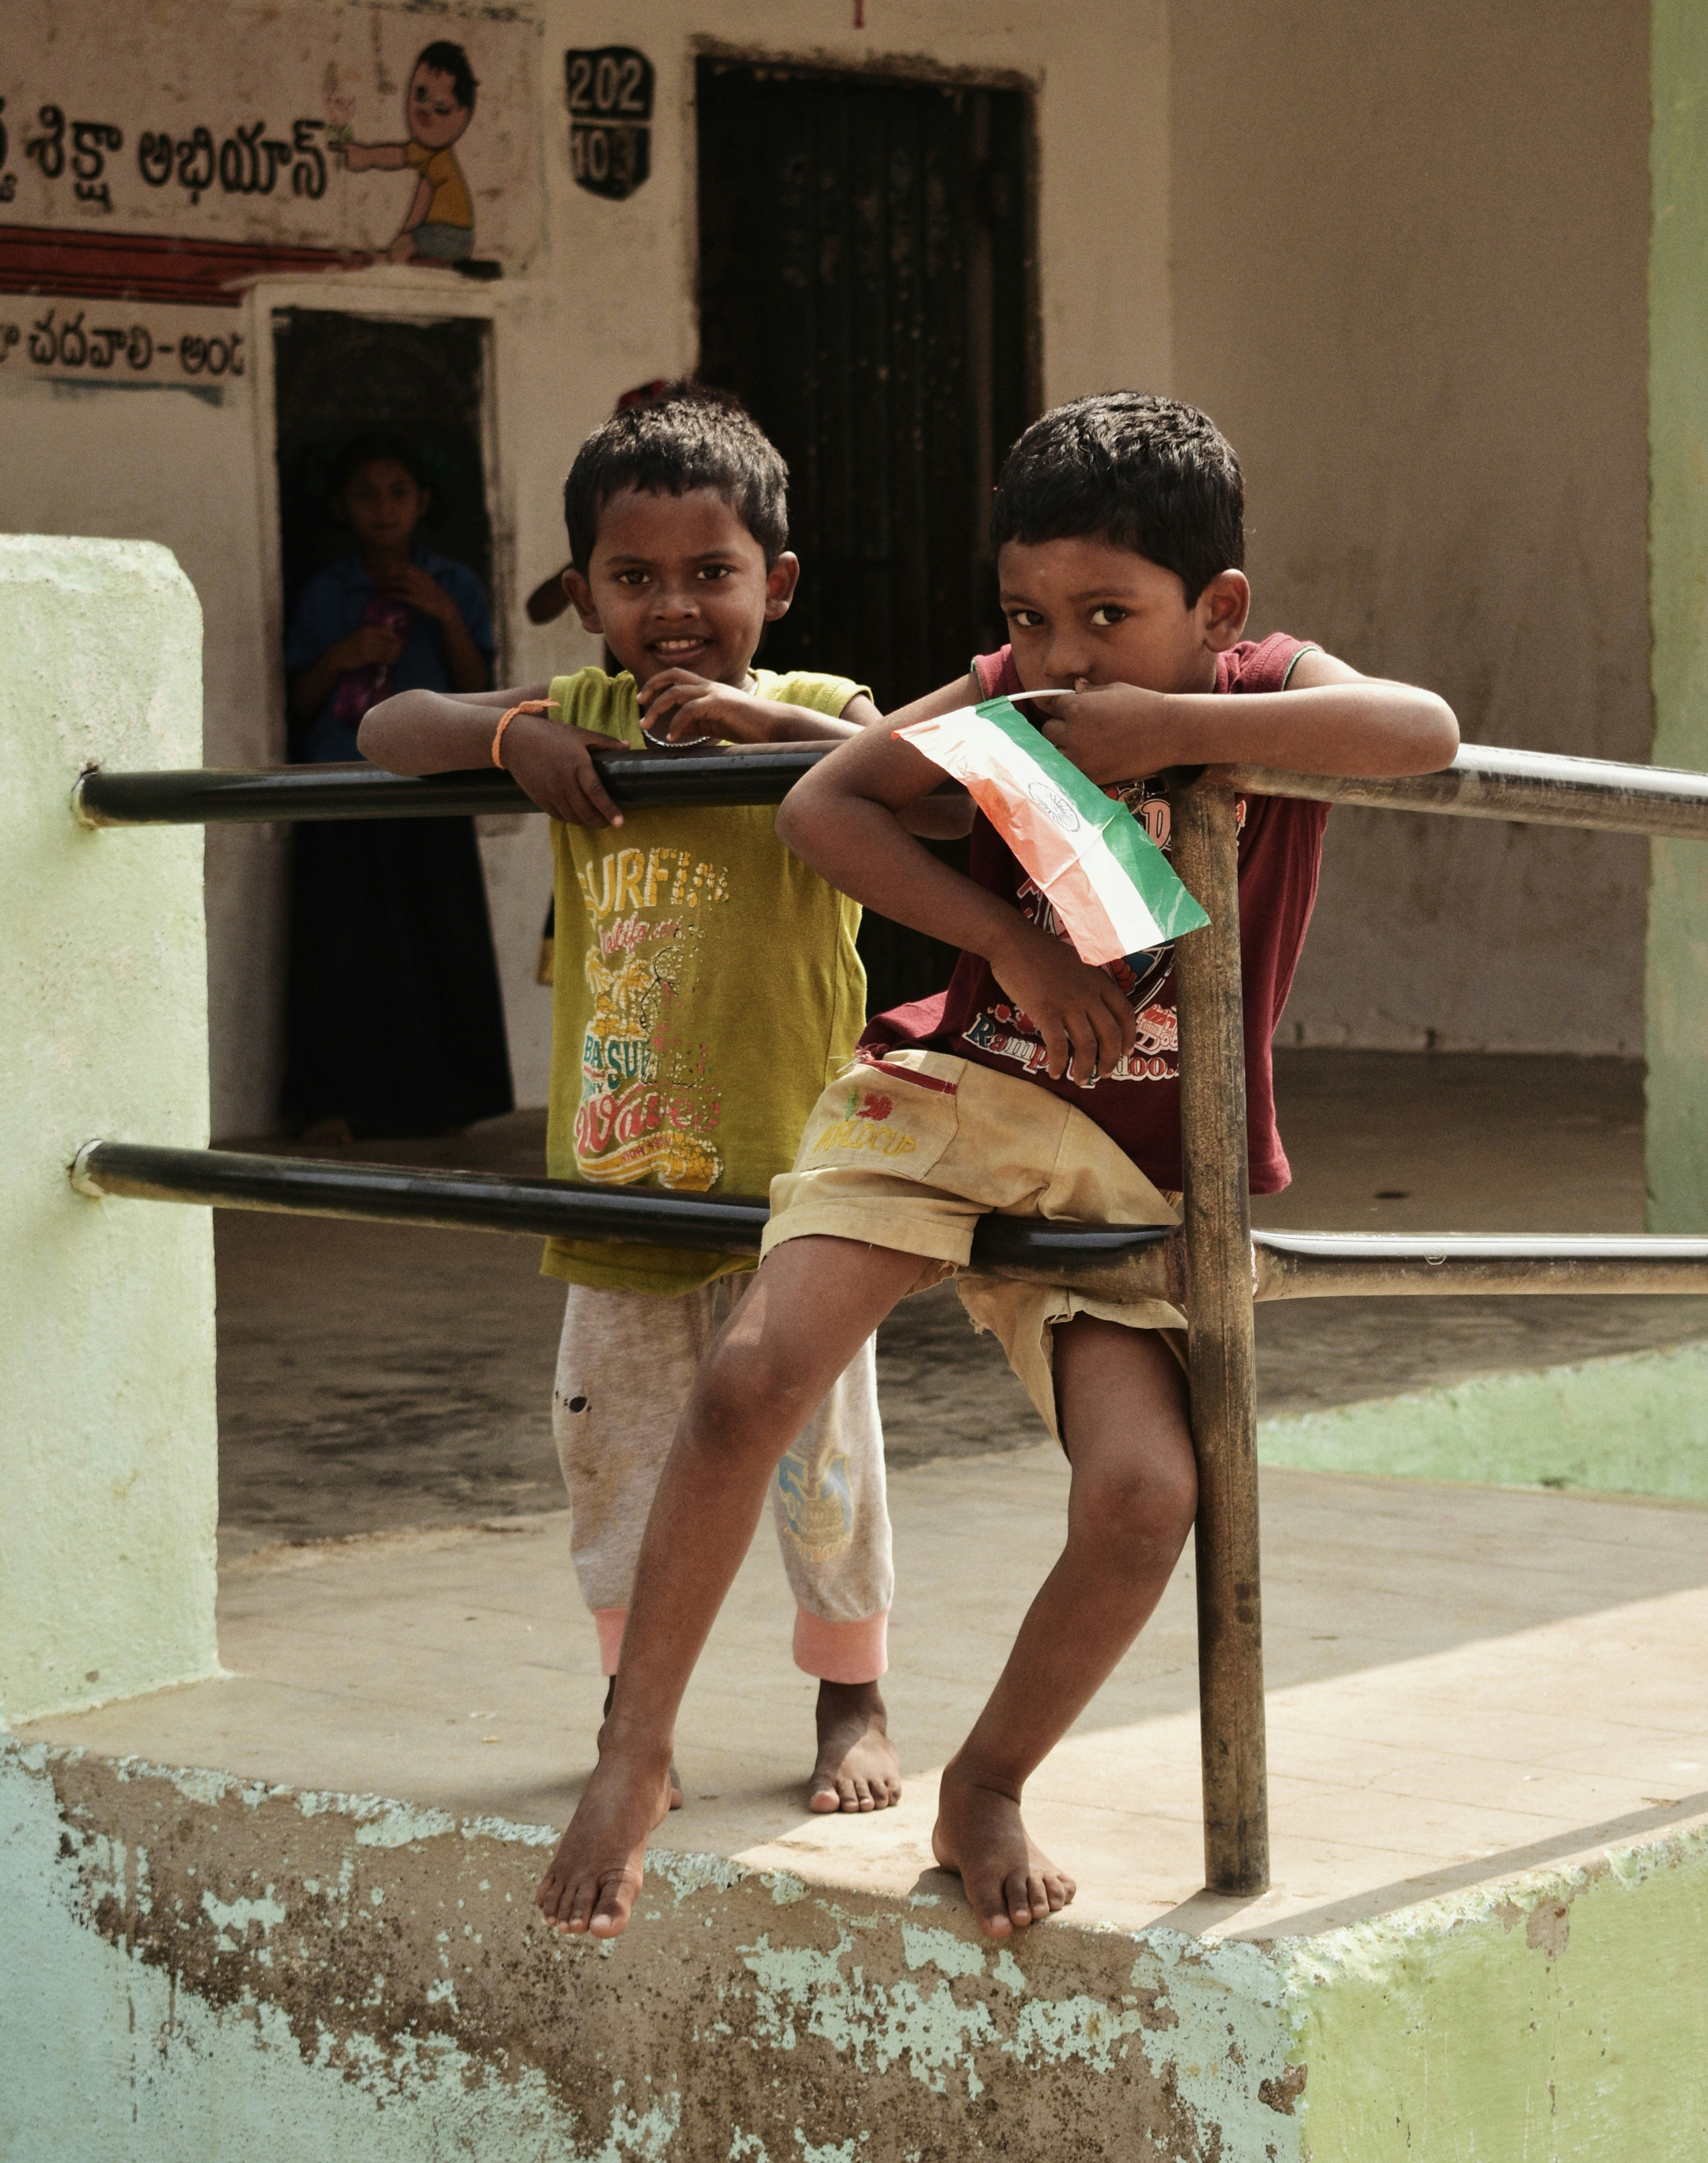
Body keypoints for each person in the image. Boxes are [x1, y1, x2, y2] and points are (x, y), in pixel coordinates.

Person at [532, 390, 1460, 1943]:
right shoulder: (998, 695)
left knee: (1143, 1492)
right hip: (954, 1094)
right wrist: (1004, 943)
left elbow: (1416, 734)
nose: (1062, 656)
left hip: (1129, 1163)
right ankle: (634, 1756)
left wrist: (1177, 733)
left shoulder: (1262, 683)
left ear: (1214, 609)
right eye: (1029, 617)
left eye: (1109, 616)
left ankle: (984, 1783)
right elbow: (833, 805)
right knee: (750, 1373)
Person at [359, 384, 951, 1812]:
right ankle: (639, 1704)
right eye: (633, 579)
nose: (671, 608)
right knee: (607, 1454)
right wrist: (510, 744)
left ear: (777, 585)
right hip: (617, 1180)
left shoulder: (817, 714)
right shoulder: (582, 712)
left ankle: (849, 1694)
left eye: (709, 574)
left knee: (822, 1458)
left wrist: (766, 727)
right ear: (582, 595)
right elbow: (391, 725)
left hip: (798, 1189)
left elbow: (940, 789)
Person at [283, 436, 512, 1141]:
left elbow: (482, 692)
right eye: (366, 494)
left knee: (437, 943)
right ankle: (335, 1105)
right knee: (344, 949)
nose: (384, 510)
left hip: (432, 780)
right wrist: (342, 656)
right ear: (341, 507)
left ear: (423, 504)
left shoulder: (456, 585)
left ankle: (443, 1103)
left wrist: (442, 614)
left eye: (399, 492)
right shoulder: (328, 592)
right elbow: (297, 702)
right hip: (343, 786)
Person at [340, 40, 479, 266]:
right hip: (449, 234)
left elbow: (402, 161)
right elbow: (415, 182)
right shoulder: (431, 155)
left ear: (462, 116)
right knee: (405, 244)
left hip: (452, 235)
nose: (426, 109)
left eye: (442, 107)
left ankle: (388, 262)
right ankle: (391, 258)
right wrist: (406, 235)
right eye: (420, 94)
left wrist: (367, 156)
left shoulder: (436, 155)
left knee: (406, 245)